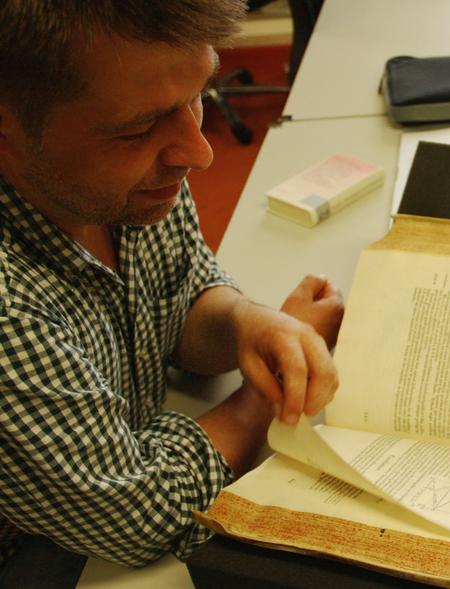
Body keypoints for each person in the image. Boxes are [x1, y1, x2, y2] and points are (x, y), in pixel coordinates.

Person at [0, 0, 344, 568]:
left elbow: (177, 296)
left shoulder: (123, 173)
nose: (199, 153)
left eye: (196, 98)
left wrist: (243, 322)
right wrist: (266, 396)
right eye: (137, 129)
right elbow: (142, 519)